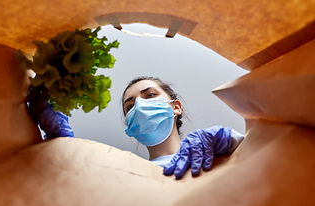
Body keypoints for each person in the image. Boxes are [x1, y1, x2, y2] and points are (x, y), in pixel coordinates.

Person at [28, 77, 244, 179]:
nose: (140, 105)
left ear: (175, 107)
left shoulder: (217, 146)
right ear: (129, 126)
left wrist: (232, 140)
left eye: (150, 95)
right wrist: (58, 143)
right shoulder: (128, 174)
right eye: (130, 106)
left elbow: (272, 152)